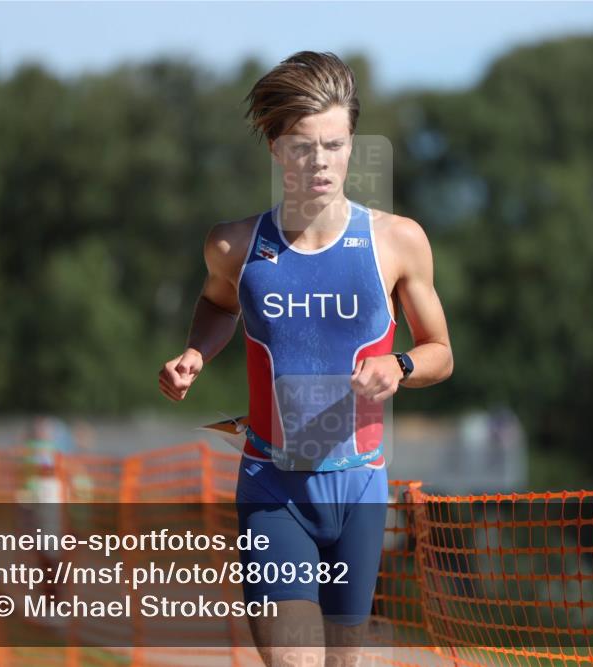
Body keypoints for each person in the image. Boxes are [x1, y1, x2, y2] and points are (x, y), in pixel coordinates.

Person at [159, 51, 453, 667]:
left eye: (335, 144)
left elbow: (441, 354)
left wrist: (398, 367)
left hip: (361, 488)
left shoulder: (397, 241)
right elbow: (218, 306)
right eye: (301, 146)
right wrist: (195, 352)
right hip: (273, 488)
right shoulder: (234, 245)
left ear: (352, 143)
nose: (319, 161)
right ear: (274, 148)